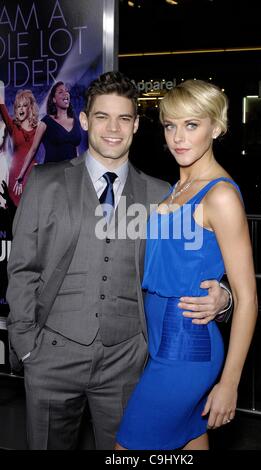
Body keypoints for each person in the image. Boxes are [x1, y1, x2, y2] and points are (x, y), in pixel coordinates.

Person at [6, 72, 230, 450]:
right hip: (52, 358)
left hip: (128, 362)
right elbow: (22, 268)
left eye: (124, 118)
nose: (113, 128)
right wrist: (27, 345)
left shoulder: (162, 195)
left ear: (136, 125)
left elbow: (195, 262)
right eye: (102, 117)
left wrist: (222, 296)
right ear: (85, 120)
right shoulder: (45, 183)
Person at [115, 79, 258, 450]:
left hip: (187, 346)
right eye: (170, 125)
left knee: (126, 449)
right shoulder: (177, 188)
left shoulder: (221, 195)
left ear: (217, 126)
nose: (178, 137)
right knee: (192, 440)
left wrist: (229, 383)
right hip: (160, 339)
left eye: (192, 125)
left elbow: (248, 298)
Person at [15, 81, 82, 192]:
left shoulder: (75, 121)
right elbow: (33, 150)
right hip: (52, 179)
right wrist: (21, 176)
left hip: (72, 178)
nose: (65, 93)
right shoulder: (46, 122)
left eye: (67, 91)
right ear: (54, 100)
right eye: (61, 92)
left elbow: (76, 151)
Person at [0, 88, 39, 206]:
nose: (21, 108)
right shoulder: (13, 127)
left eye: (24, 105)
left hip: (32, 175)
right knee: (14, 213)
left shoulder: (39, 128)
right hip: (15, 175)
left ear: (30, 108)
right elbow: (1, 106)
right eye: (18, 106)